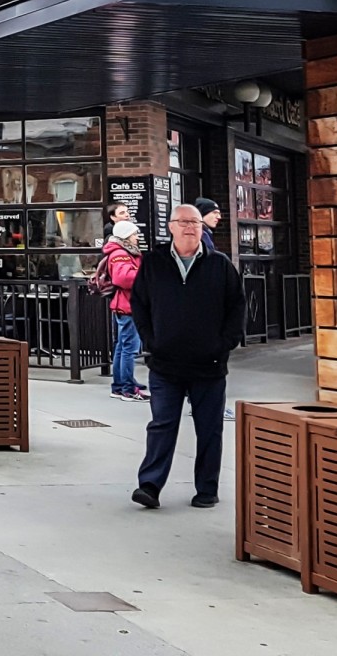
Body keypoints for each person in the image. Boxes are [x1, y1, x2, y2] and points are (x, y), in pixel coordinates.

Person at [129, 204, 244, 510]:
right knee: (162, 425)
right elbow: (139, 303)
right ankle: (149, 485)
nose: (190, 227)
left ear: (201, 228)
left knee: (209, 429)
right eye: (183, 222)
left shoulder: (220, 265)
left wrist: (224, 344)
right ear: (171, 227)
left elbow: (237, 307)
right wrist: (151, 340)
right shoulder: (153, 263)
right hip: (165, 363)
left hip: (209, 364)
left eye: (195, 222)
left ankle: (206, 489)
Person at [102, 220, 147, 402]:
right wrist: (145, 275)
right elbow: (122, 278)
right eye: (134, 234)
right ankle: (127, 389)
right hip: (128, 306)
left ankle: (120, 385)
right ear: (126, 236)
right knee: (129, 349)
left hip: (125, 304)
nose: (137, 237)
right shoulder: (120, 253)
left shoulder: (121, 251)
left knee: (122, 347)